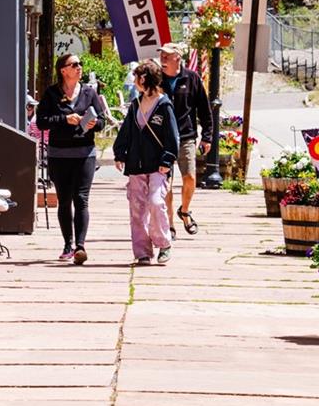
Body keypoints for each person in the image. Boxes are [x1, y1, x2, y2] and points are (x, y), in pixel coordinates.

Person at [37, 53, 108, 264]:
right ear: (63, 70)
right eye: (74, 64)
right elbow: (41, 122)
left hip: (85, 153)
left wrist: (94, 123)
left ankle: (80, 246)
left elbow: (102, 120)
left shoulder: (89, 92)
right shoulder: (51, 93)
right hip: (59, 154)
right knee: (64, 200)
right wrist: (64, 119)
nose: (79, 67)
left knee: (81, 199)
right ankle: (67, 244)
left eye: (80, 64)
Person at [113, 62, 179, 265]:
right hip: (136, 164)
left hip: (158, 165)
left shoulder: (164, 105)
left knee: (156, 202)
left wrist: (167, 159)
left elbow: (172, 136)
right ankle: (142, 251)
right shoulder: (135, 104)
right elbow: (126, 131)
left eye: (136, 77)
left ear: (144, 79)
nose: (134, 81)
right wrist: (119, 153)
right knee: (137, 208)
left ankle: (164, 243)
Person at [158, 44, 213, 237]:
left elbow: (205, 109)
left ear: (178, 58)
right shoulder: (157, 79)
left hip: (186, 136)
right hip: (162, 138)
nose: (163, 59)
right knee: (166, 182)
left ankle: (185, 210)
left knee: (190, 177)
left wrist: (207, 137)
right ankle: (169, 223)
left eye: (167, 56)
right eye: (162, 55)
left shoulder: (192, 78)